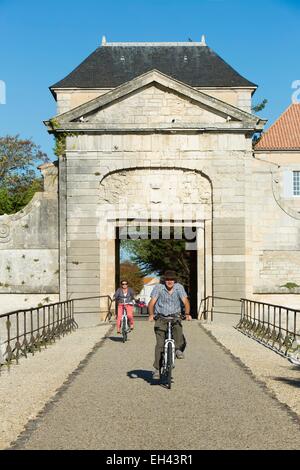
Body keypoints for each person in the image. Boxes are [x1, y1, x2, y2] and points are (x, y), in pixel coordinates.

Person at [148, 270, 191, 379]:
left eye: (171, 279)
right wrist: (151, 314)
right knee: (159, 344)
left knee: (179, 333)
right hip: (161, 317)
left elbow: (185, 301)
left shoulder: (179, 287)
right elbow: (152, 302)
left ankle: (177, 349)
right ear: (164, 280)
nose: (169, 281)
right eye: (167, 279)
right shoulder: (158, 288)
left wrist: (187, 314)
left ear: (175, 280)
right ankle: (157, 369)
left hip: (175, 316)